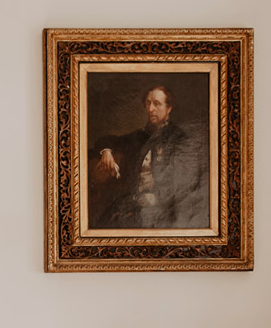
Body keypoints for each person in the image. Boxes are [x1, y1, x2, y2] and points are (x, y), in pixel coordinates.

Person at [89, 84, 208, 229]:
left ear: (169, 108)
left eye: (157, 104)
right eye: (148, 103)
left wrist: (156, 198)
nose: (151, 109)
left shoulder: (179, 139)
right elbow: (106, 140)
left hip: (165, 210)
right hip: (133, 205)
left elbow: (184, 183)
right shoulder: (139, 137)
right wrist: (106, 151)